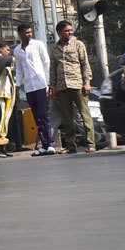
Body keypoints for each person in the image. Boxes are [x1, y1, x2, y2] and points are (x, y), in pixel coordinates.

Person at [50, 19, 95, 154]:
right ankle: (71, 146)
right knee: (67, 118)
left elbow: (85, 64)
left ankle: (91, 143)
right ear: (59, 33)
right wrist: (53, 86)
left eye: (71, 30)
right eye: (66, 31)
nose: (70, 32)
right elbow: (53, 68)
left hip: (77, 84)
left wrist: (87, 82)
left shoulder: (78, 45)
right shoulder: (55, 48)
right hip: (62, 87)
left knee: (84, 115)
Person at [12, 23, 56, 156]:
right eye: (26, 33)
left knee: (43, 114)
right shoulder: (17, 50)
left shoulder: (38, 44)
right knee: (36, 116)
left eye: (30, 32)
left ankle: (50, 144)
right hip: (29, 87)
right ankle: (44, 144)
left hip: (41, 84)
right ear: (20, 34)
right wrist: (17, 87)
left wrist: (50, 83)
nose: (29, 35)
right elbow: (19, 70)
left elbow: (46, 63)